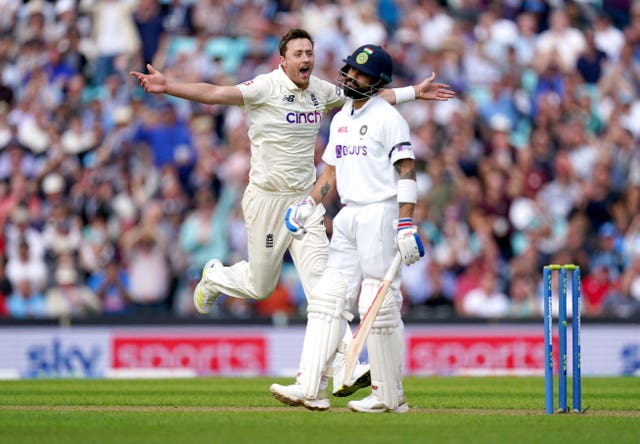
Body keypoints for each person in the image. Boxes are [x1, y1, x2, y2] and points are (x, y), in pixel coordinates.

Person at [130, 28, 454, 396]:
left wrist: (414, 92)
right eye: (298, 53)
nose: (305, 59)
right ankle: (215, 276)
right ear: (282, 59)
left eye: (309, 53)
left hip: (305, 202)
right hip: (266, 200)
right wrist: (167, 85)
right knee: (260, 284)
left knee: (324, 290)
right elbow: (217, 94)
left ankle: (346, 365)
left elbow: (369, 94)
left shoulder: (321, 90)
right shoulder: (264, 87)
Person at [270, 44, 428, 413]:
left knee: (380, 304)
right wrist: (308, 204)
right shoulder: (342, 117)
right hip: (348, 216)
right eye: (350, 71)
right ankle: (310, 387)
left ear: (378, 83)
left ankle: (389, 395)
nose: (352, 78)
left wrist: (405, 223)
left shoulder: (389, 118)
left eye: (362, 75)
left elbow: (406, 170)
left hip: (380, 213)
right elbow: (331, 173)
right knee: (326, 299)